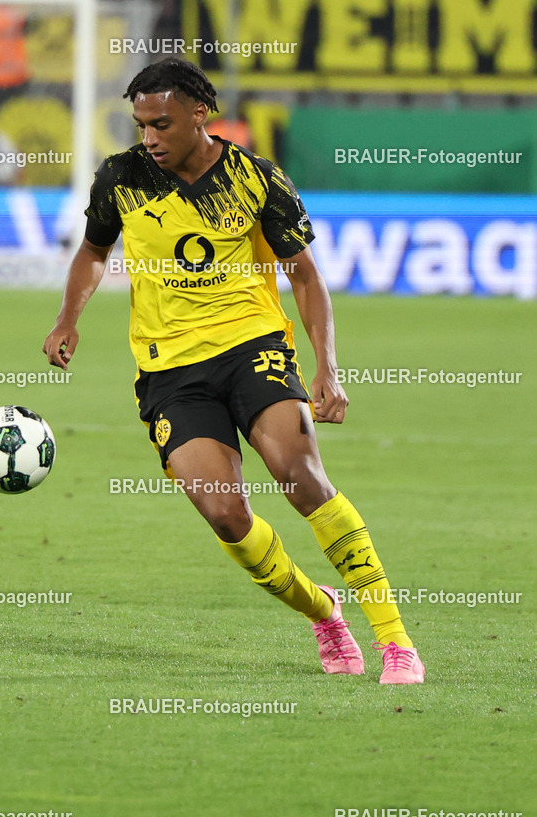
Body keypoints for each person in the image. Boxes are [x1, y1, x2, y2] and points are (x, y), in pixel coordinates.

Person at [43, 58, 425, 685]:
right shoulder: (119, 178)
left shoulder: (256, 179)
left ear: (200, 112)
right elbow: (92, 251)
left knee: (301, 479)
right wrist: (68, 318)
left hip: (253, 347)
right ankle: (323, 612)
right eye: (141, 126)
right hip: (170, 370)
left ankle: (396, 643)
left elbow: (305, 274)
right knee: (226, 515)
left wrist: (328, 365)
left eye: (161, 124)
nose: (150, 139)